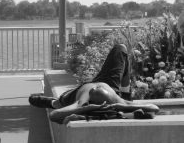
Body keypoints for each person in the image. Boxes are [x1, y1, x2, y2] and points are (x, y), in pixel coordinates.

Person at [29, 44, 159, 124]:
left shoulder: (82, 102)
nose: (96, 90)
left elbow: (54, 115)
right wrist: (124, 106)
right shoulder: (118, 101)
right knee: (120, 49)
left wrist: (85, 108)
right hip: (108, 84)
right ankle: (125, 97)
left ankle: (52, 102)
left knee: (59, 103)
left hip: (79, 94)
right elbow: (154, 108)